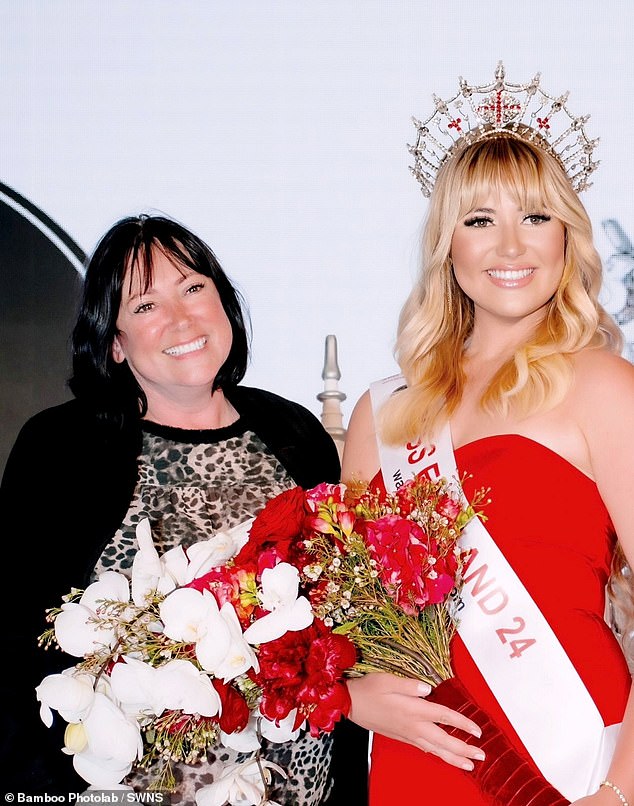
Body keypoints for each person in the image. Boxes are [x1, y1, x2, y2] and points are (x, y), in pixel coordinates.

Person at [342, 64, 634, 805]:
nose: (511, 246)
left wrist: (620, 790)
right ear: (448, 245)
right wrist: (351, 696)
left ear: (567, 235)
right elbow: (350, 616)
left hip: (567, 757)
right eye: (480, 220)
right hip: (418, 756)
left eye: (536, 216)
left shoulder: (603, 386)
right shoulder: (383, 414)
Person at [0, 213, 367, 804]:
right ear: (114, 343)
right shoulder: (60, 449)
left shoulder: (296, 433)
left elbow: (343, 637)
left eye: (194, 288)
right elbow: (15, 654)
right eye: (145, 305)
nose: (182, 318)